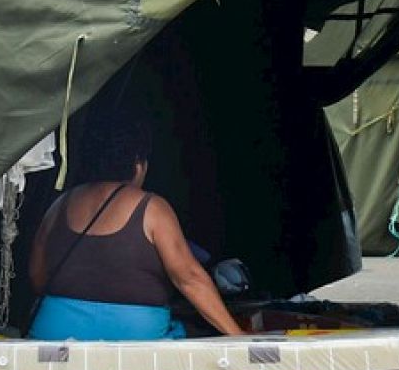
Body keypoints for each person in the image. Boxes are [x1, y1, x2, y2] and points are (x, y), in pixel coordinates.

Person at [28, 119, 244, 340]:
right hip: (134, 341)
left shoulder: (60, 205)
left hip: (55, 336)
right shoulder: (151, 208)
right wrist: (240, 338)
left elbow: (38, 277)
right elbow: (189, 278)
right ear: (138, 164)